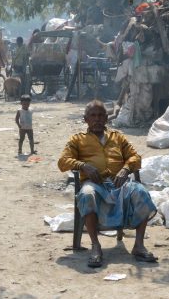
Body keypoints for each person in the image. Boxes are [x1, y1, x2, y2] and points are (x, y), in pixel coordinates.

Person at [58, 100, 159, 267]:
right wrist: (83, 165)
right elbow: (63, 161)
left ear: (106, 118)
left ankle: (139, 246)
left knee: (141, 192)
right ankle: (96, 246)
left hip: (119, 184)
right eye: (93, 116)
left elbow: (135, 157)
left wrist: (126, 169)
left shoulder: (117, 137)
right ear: (86, 119)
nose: (97, 119)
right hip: (94, 183)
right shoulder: (78, 139)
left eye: (100, 116)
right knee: (87, 194)